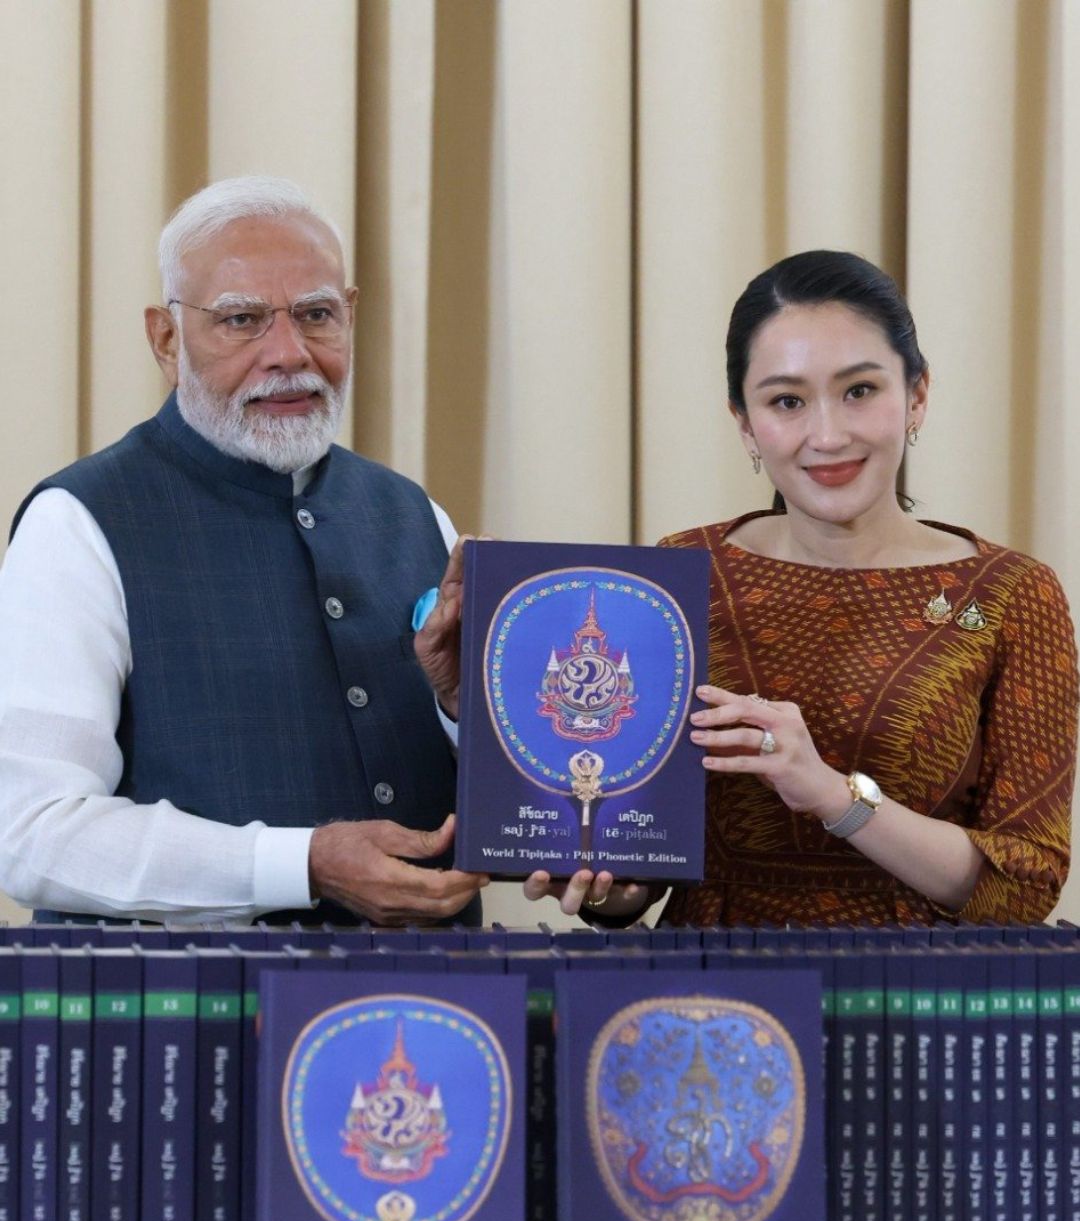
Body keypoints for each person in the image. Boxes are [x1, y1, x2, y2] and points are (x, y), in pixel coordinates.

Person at [527, 250, 1078, 926]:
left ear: (918, 397)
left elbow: (1023, 887)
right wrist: (604, 887)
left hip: (912, 1008)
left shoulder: (1011, 595)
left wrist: (832, 795)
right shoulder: (679, 571)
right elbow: (649, 857)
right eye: (787, 401)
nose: (827, 433)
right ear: (744, 423)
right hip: (711, 1007)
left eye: (860, 391)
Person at [0, 176, 486, 926]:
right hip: (190, 1026)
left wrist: (461, 713)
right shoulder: (80, 522)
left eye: (316, 315)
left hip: (429, 1018)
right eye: (242, 320)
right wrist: (304, 864)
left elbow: (486, 789)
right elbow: (35, 833)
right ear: (167, 339)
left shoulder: (414, 513)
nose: (288, 354)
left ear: (350, 317)